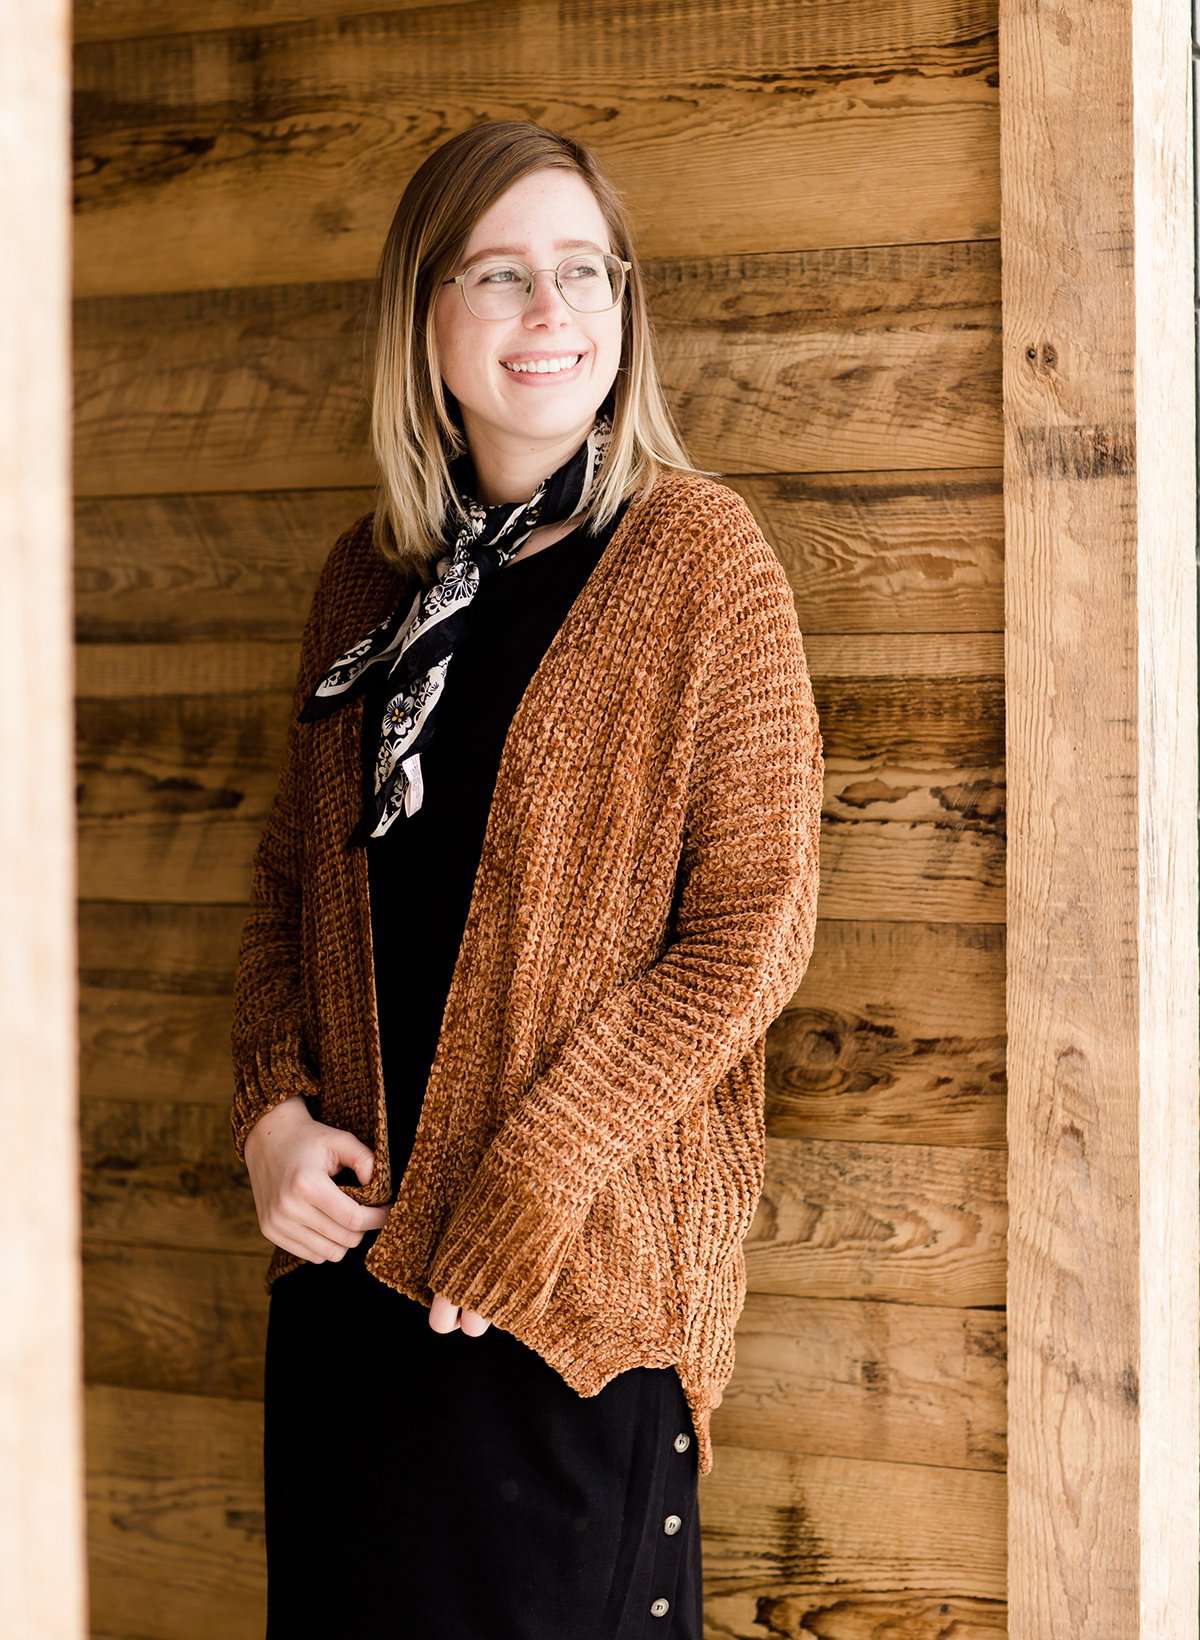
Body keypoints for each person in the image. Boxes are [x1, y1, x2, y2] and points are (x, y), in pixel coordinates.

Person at [230, 119, 824, 1639]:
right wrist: (272, 1118)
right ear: (424, 323)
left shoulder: (699, 556)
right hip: (356, 1287)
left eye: (583, 273)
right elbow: (291, 891)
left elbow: (752, 933)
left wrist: (533, 1180)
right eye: (502, 276)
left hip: (570, 1296)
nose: (552, 314)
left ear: (623, 307)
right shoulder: (368, 585)